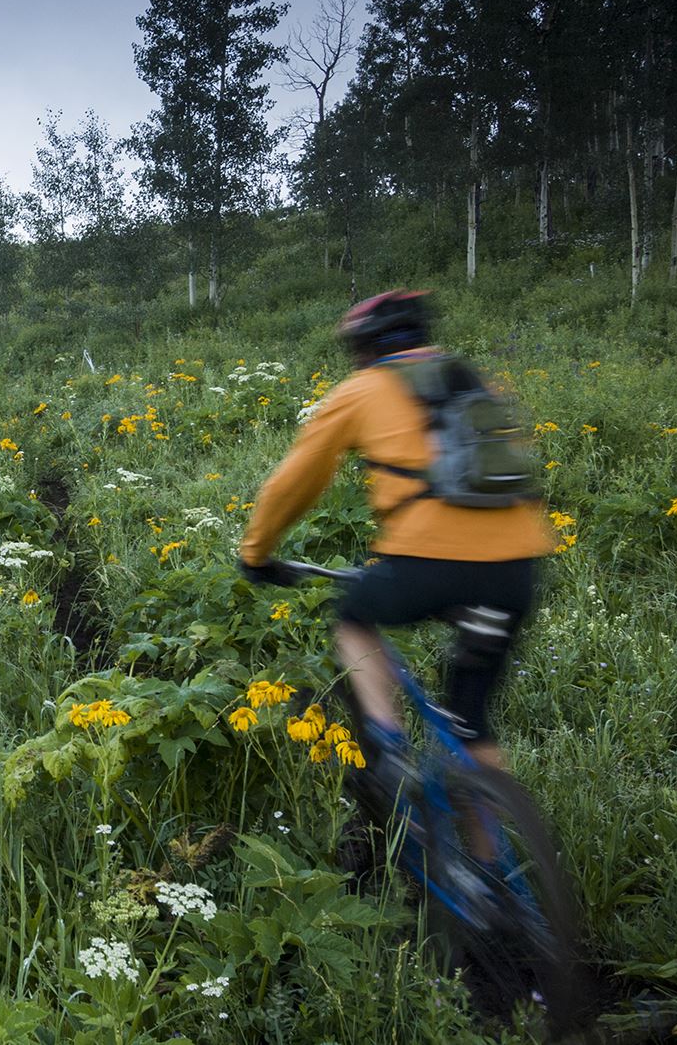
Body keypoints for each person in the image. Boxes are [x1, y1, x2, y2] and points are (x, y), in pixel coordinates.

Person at [237, 290, 555, 797]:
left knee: (354, 617)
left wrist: (256, 553)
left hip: (426, 561)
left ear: (363, 349)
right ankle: (488, 867)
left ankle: (390, 752)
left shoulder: (362, 388)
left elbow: (294, 482)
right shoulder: (473, 382)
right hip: (518, 568)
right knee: (471, 728)